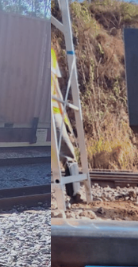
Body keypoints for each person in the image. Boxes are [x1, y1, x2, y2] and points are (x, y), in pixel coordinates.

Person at [51, 46, 84, 205]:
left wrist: (63, 117)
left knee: (67, 152)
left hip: (54, 109)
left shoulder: (50, 51)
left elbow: (55, 86)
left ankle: (75, 194)